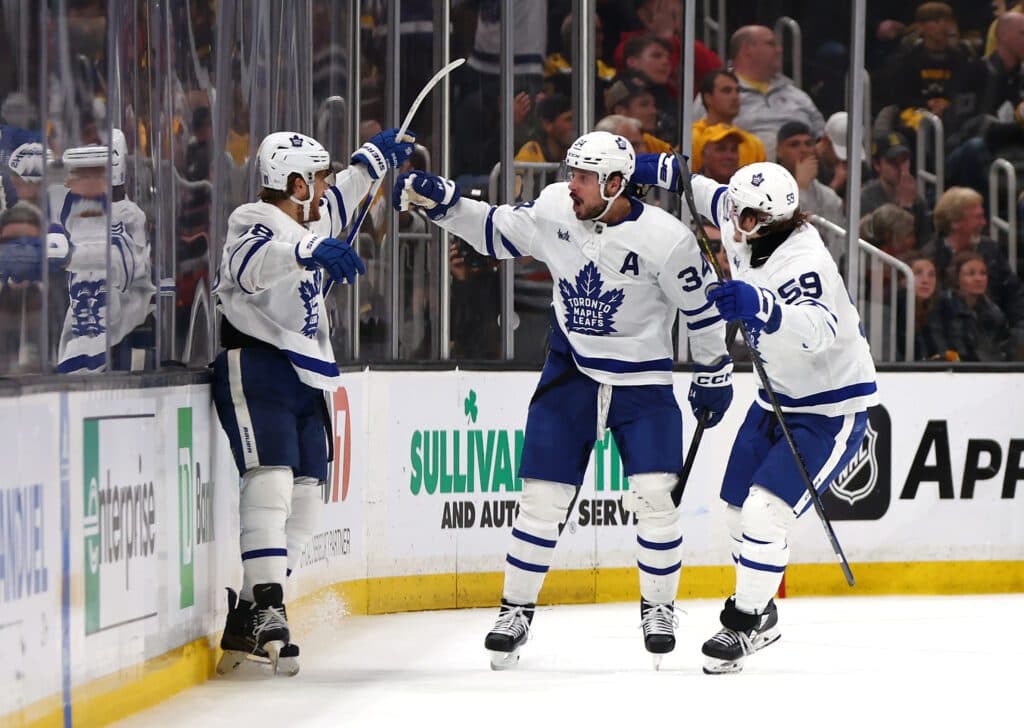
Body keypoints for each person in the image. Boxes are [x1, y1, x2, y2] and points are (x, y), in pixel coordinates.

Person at [391, 131, 734, 669]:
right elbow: (494, 230)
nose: (569, 184)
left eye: (582, 176)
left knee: (655, 500)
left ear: (616, 184)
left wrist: (715, 368)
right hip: (570, 370)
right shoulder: (555, 207)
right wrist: (444, 203)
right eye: (570, 172)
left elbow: (703, 311)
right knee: (541, 500)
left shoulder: (668, 240)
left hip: (641, 383)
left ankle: (659, 608)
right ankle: (515, 611)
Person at [631, 154, 878, 673]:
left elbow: (819, 330)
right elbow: (699, 189)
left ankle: (746, 622)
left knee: (767, 516)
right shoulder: (739, 211)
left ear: (775, 220)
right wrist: (652, 169)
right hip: (774, 398)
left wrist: (763, 307)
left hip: (830, 408)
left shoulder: (803, 261)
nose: (735, 226)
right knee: (735, 511)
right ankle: (758, 610)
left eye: (748, 219)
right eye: (736, 213)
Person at [211, 126, 414, 675]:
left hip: (307, 373)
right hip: (258, 363)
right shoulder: (251, 220)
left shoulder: (314, 216)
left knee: (305, 503)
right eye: (317, 178)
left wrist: (373, 160)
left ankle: (250, 616)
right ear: (295, 182)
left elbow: (347, 194)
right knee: (271, 481)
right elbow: (247, 268)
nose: (324, 187)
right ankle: (272, 609)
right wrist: (305, 250)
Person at [45, 128, 157, 373]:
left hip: (120, 337)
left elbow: (123, 264)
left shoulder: (129, 215)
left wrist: (71, 256)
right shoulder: (72, 207)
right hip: (78, 340)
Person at [693, 25, 825, 161]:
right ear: (747, 49)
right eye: (771, 44)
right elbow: (699, 139)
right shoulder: (718, 91)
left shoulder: (797, 95)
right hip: (741, 174)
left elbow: (823, 140)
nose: (779, 50)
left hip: (802, 174)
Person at [691, 70, 766, 172]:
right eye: (726, 91)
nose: (735, 97)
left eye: (737, 91)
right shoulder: (692, 139)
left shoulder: (753, 144)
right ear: (708, 97)